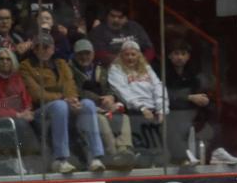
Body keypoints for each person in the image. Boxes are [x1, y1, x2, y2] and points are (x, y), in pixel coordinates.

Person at [18, 31, 105, 173]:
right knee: (60, 106)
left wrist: (73, 99)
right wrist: (62, 98)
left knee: (88, 104)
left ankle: (95, 157)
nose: (44, 50)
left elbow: (70, 84)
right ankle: (61, 159)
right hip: (40, 110)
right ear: (34, 49)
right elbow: (36, 94)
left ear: (53, 49)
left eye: (47, 47)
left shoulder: (61, 63)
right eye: (40, 47)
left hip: (65, 103)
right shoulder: (26, 66)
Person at [165, 40, 237, 166]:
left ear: (188, 56)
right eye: (176, 53)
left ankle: (217, 150)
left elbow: (197, 91)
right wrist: (189, 97)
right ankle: (182, 155)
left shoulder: (191, 73)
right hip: (173, 109)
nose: (180, 57)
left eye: (183, 54)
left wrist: (203, 99)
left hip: (191, 109)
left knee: (213, 109)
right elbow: (165, 94)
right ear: (170, 56)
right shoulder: (163, 72)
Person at [70, 37, 134, 168]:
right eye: (80, 54)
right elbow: (75, 91)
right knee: (101, 119)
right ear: (75, 55)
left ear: (93, 54)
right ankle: (113, 154)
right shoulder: (69, 70)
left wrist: (110, 98)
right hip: (83, 110)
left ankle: (124, 149)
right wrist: (99, 100)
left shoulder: (101, 69)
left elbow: (109, 88)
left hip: (104, 106)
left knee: (124, 117)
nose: (84, 57)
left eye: (87, 53)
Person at [107, 38, 168, 159]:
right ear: (121, 56)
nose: (130, 57)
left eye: (133, 54)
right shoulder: (115, 69)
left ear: (138, 55)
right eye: (127, 54)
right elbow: (123, 92)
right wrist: (142, 108)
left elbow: (158, 87)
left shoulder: (146, 68)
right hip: (134, 109)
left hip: (153, 108)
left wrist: (161, 109)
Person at [88, 4, 155, 66]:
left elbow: (149, 49)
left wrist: (141, 62)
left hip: (138, 66)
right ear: (107, 16)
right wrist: (127, 62)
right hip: (112, 68)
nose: (116, 20)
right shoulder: (98, 31)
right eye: (112, 16)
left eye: (120, 17)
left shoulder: (135, 27)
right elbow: (100, 55)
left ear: (126, 18)